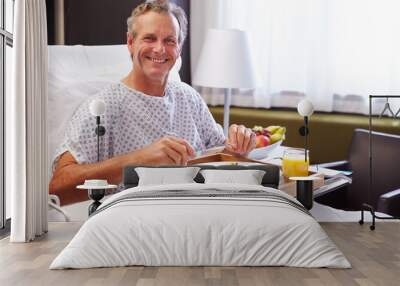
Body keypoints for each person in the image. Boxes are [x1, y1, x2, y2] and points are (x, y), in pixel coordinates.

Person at [49, 0, 256, 205]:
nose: (159, 49)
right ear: (130, 43)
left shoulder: (189, 98)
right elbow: (58, 189)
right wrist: (138, 160)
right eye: (149, 38)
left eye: (169, 41)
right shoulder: (101, 108)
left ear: (179, 48)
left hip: (196, 213)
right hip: (134, 222)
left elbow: (221, 157)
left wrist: (238, 147)